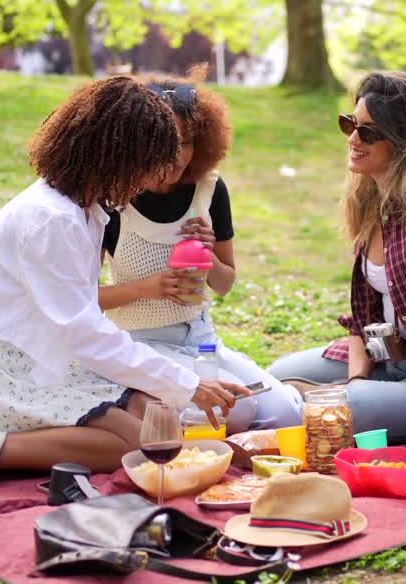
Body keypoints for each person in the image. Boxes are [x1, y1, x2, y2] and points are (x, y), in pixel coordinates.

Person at [0, 76, 249, 488]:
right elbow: (85, 334)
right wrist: (189, 384)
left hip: (42, 357)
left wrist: (180, 386)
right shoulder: (49, 219)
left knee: (156, 420)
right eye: (148, 163)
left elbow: (82, 327)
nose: (152, 178)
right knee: (138, 443)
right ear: (116, 157)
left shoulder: (86, 211)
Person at [268, 72, 406, 445]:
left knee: (337, 411)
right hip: (383, 358)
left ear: (404, 140)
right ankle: (336, 398)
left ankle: (333, 401)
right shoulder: (371, 196)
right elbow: (361, 319)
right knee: (275, 375)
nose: (352, 138)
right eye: (350, 124)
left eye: (367, 132)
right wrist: (356, 380)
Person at [98, 75, 302, 433]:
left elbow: (225, 284)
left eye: (188, 143)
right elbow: (81, 299)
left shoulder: (209, 189)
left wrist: (209, 258)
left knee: (286, 415)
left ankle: (216, 427)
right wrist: (147, 288)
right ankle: (137, 406)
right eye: (168, 143)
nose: (179, 156)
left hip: (202, 341)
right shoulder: (113, 199)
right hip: (139, 343)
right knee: (237, 410)